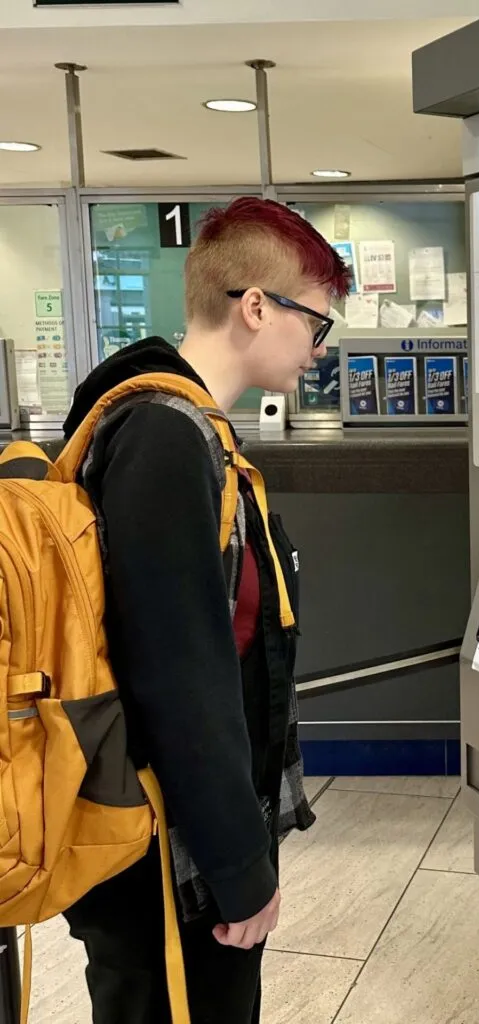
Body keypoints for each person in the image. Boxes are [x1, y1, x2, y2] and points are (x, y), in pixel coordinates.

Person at [61, 197, 351, 1024]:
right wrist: (237, 867)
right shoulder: (163, 437)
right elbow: (179, 675)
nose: (319, 350)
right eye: (317, 324)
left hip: (177, 839)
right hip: (165, 854)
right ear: (257, 307)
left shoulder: (180, 428)